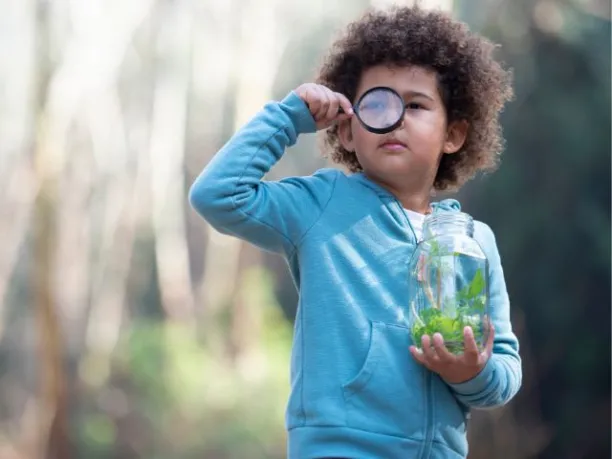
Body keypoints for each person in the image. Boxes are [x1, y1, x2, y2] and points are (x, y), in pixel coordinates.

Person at [189, 5, 521, 459]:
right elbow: (216, 195)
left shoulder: (473, 241)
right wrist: (290, 119)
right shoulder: (321, 206)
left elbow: (502, 369)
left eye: (418, 105)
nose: (397, 118)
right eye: (377, 104)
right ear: (347, 131)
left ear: (454, 134)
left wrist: (470, 374)